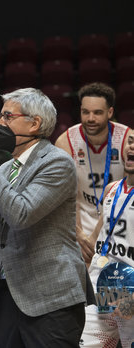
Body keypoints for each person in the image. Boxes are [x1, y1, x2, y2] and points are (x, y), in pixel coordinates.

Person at [0, 88, 93, 346]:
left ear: (34, 123)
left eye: (7, 116)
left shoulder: (57, 162)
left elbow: (21, 214)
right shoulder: (4, 170)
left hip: (51, 299)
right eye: (0, 116)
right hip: (8, 297)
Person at [55, 82, 130, 265]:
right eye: (85, 112)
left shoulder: (127, 140)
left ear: (110, 113)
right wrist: (79, 236)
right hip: (79, 222)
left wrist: (99, 234)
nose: (90, 118)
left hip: (119, 221)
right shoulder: (66, 142)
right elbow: (64, 196)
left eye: (97, 113)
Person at [80, 130, 134, 348]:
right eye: (131, 142)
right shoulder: (112, 189)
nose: (132, 147)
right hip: (102, 285)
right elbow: (100, 237)